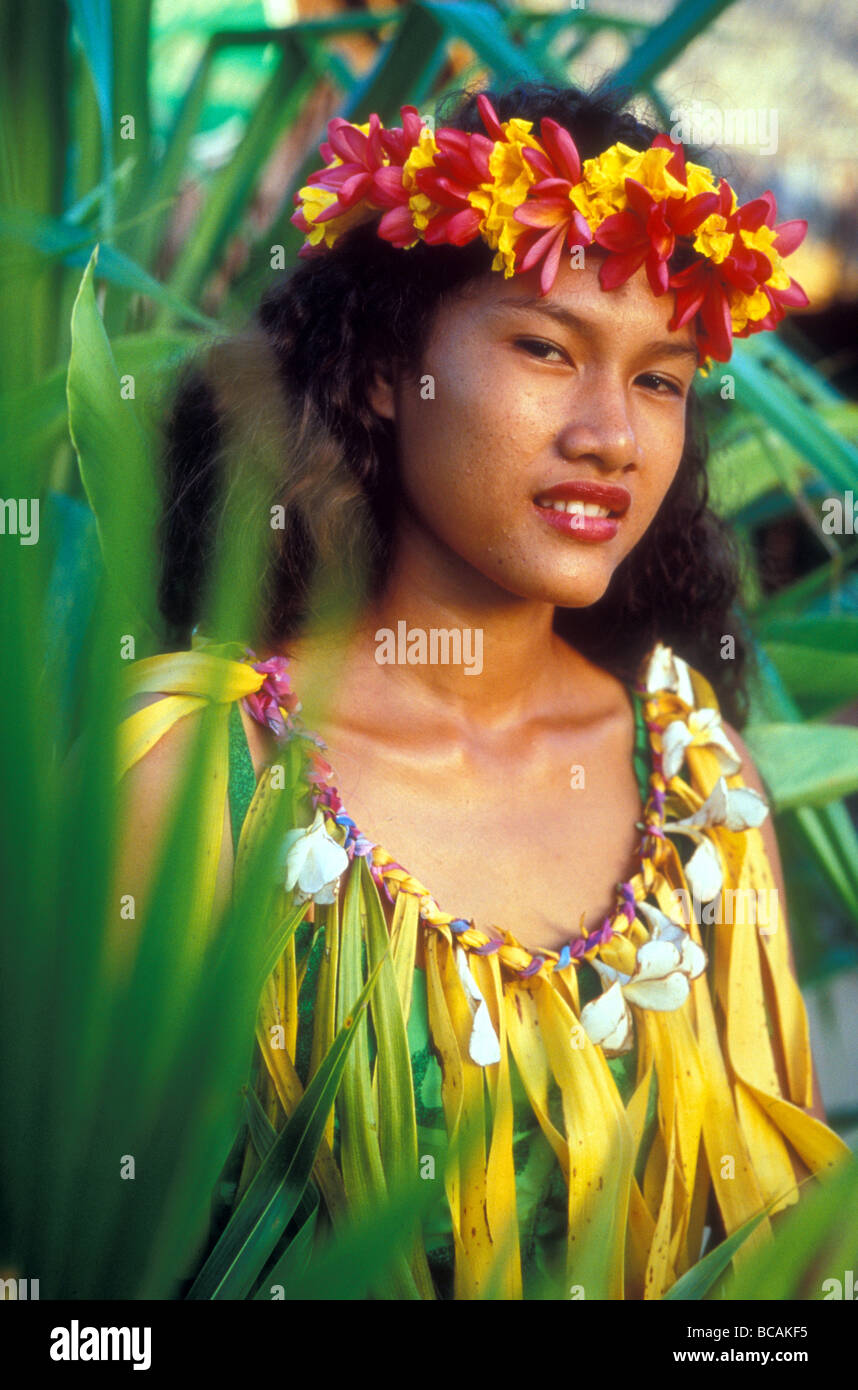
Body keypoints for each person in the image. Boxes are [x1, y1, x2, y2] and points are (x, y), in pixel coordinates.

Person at [115, 81, 850, 1300]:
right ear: (381, 375)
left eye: (661, 380)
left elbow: (774, 1264)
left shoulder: (702, 790)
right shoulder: (195, 774)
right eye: (548, 349)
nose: (612, 434)